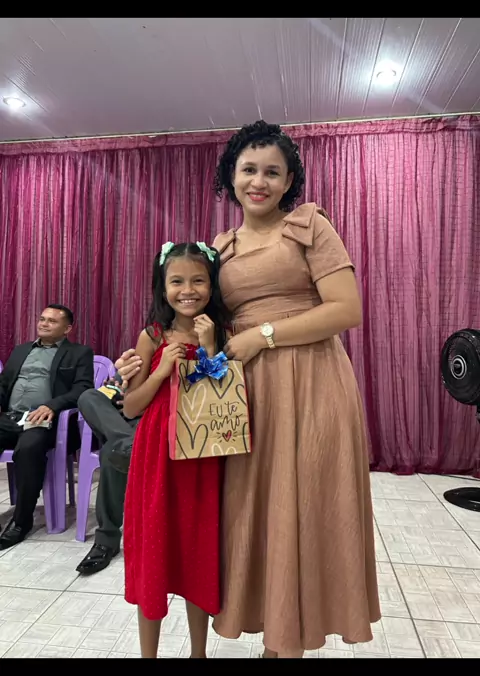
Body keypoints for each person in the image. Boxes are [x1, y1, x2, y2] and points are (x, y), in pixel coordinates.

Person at [115, 121, 381, 658]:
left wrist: (264, 335)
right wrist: (139, 361)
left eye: (273, 172)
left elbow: (346, 309)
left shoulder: (310, 226)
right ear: (230, 177)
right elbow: (194, 315)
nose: (259, 182)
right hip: (244, 394)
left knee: (304, 505)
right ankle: (274, 631)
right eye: (249, 170)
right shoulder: (221, 248)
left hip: (310, 383)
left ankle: (288, 645)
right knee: (257, 512)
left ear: (289, 181)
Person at [122, 242, 230, 659]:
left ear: (211, 286)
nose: (188, 290)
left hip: (202, 456)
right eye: (177, 281)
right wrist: (161, 370)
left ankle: (198, 653)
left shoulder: (221, 332)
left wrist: (211, 347)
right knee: (154, 550)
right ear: (162, 287)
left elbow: (225, 396)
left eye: (198, 280)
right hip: (157, 456)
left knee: (198, 551)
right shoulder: (151, 336)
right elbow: (131, 406)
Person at [0, 304, 94, 550]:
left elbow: (83, 388)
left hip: (45, 421)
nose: (44, 324)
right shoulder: (21, 350)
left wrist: (52, 405)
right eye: (42, 319)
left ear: (67, 329)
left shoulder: (79, 353)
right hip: (10, 417)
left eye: (52, 321)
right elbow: (4, 384)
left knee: (28, 449)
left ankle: (21, 522)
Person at [75, 367, 141, 575]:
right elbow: (112, 388)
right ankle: (127, 444)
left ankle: (106, 541)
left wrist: (138, 401)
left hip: (150, 418)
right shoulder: (137, 356)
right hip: (120, 422)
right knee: (88, 396)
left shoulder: (180, 355)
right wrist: (114, 388)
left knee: (111, 452)